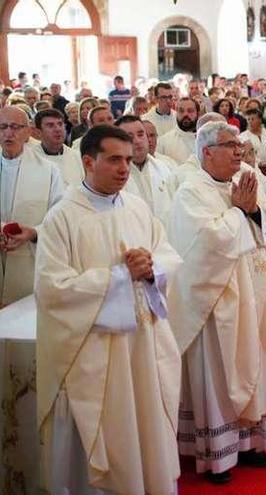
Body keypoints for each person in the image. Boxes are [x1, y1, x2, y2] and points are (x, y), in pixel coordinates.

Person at [35, 125, 182, 495]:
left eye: (128, 161)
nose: (124, 169)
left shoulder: (136, 206)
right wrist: (118, 277)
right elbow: (53, 290)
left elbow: (167, 253)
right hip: (97, 354)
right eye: (114, 160)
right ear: (88, 161)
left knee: (145, 428)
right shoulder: (62, 218)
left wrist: (152, 268)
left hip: (142, 347)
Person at [168, 121, 266, 483]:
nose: (239, 151)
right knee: (220, 372)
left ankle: (252, 443)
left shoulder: (248, 180)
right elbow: (205, 244)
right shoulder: (191, 192)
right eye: (229, 145)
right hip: (218, 301)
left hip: (256, 294)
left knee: (256, 361)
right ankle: (217, 455)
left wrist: (253, 211)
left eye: (239, 144)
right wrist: (239, 212)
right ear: (207, 152)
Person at [0, 106, 65, 305]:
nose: (8, 133)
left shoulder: (49, 171)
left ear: (28, 132)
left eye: (15, 127)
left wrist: (33, 232)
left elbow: (59, 218)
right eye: (2, 127)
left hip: (30, 262)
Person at [115, 115, 175, 225]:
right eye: (129, 136)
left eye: (141, 134)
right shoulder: (113, 175)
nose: (137, 141)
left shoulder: (164, 167)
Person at [32, 108, 84, 185]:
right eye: (50, 125)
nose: (58, 129)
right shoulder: (31, 158)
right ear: (38, 132)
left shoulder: (76, 156)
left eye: (60, 124)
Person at [156, 97, 198, 164]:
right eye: (181, 111)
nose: (185, 114)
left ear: (197, 113)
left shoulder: (204, 139)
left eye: (190, 111)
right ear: (176, 113)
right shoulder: (163, 142)